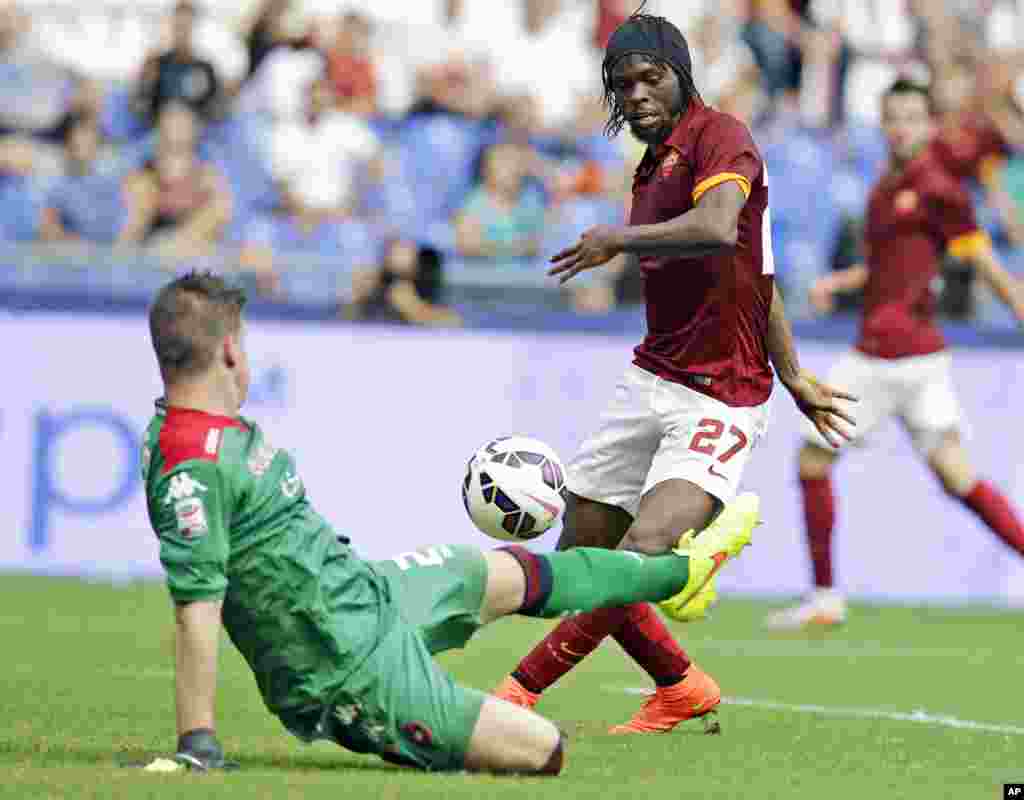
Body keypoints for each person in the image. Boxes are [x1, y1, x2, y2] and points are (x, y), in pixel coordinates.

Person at [141, 271, 758, 774]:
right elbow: (197, 604)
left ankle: (684, 571)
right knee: (542, 749)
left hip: (366, 591)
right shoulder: (190, 465)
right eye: (244, 346)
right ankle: (669, 587)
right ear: (229, 352)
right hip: (347, 668)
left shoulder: (218, 431)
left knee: (523, 572)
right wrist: (198, 742)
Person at [492, 9, 855, 734]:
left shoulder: (722, 137)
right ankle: (681, 685)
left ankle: (515, 697)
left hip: (721, 397)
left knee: (641, 552)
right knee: (582, 563)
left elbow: (721, 230)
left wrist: (619, 240)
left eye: (650, 78)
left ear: (681, 75)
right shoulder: (650, 167)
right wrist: (796, 374)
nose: (636, 94)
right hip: (651, 379)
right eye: (623, 84)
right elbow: (760, 275)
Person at [767, 79, 1024, 631]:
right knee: (956, 476)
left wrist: (1018, 303)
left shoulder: (938, 187)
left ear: (929, 125)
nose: (902, 127)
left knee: (814, 460)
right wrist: (842, 281)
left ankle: (825, 597)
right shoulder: (887, 188)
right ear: (883, 124)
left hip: (891, 357)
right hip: (906, 357)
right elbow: (891, 266)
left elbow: (980, 258)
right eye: (894, 117)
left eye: (912, 117)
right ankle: (824, 599)